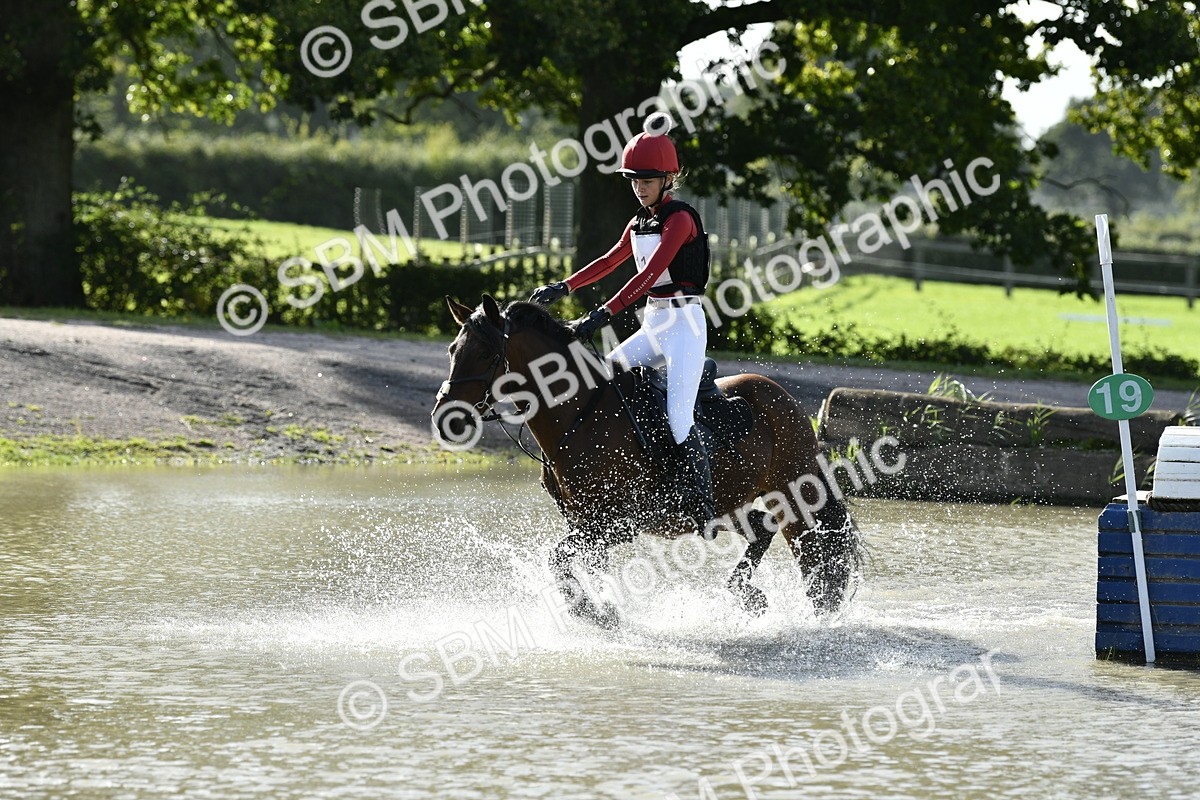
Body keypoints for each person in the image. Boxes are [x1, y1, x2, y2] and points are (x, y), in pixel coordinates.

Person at [530, 113, 714, 535]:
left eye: (647, 180)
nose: (639, 187)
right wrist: (564, 285)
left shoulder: (680, 219)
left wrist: (602, 314)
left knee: (680, 418)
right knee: (602, 381)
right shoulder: (640, 221)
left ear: (668, 179)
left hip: (685, 326)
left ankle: (701, 503)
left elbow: (647, 277)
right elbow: (610, 261)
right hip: (654, 324)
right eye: (633, 180)